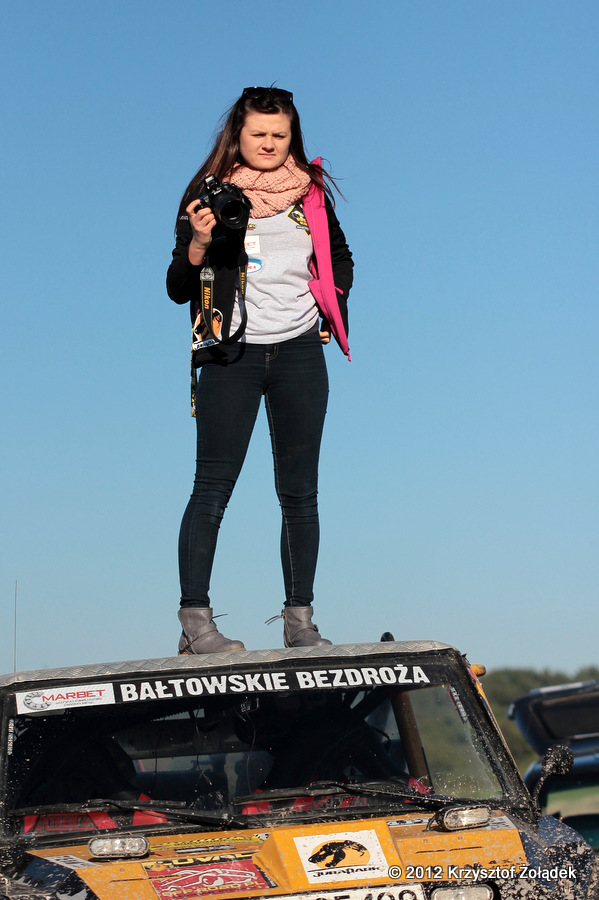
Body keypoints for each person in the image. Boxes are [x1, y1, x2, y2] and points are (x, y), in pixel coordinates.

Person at [166, 86, 353, 654]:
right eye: (258, 134)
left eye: (280, 135)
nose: (269, 144)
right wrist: (200, 241)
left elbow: (340, 258)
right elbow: (178, 287)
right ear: (238, 135)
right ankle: (196, 623)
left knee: (300, 493)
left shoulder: (311, 194)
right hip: (232, 355)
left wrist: (331, 303)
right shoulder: (208, 195)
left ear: (292, 136)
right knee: (211, 488)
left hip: (300, 353)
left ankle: (300, 621)